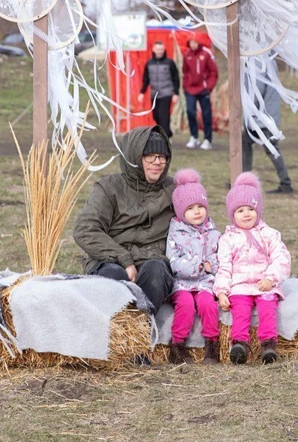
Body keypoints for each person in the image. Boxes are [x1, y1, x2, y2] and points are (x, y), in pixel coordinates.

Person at [73, 126, 175, 314]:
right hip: (111, 258)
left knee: (155, 272)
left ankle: (142, 330)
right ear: (135, 158)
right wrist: (124, 259)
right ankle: (114, 332)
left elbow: (198, 224)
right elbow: (85, 229)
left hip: (152, 259)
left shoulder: (173, 190)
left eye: (162, 156)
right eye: (149, 156)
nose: (157, 162)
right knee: (114, 277)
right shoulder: (109, 187)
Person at [214, 172, 291, 365]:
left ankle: (268, 345)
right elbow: (224, 267)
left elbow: (281, 258)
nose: (246, 214)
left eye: (250, 208)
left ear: (258, 210)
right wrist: (222, 291)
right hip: (240, 286)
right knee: (240, 310)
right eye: (240, 211)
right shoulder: (228, 239)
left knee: (267, 308)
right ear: (232, 215)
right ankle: (239, 343)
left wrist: (271, 279)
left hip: (264, 283)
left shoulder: (269, 234)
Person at [166, 169, 221, 365]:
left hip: (205, 282)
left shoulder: (213, 232)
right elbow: (173, 260)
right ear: (181, 212)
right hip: (182, 283)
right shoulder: (176, 233)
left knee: (208, 304)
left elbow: (219, 256)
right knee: (186, 305)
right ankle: (178, 345)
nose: (197, 211)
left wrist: (210, 265)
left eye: (200, 206)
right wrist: (196, 266)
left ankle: (212, 345)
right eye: (190, 208)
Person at [243, 61, 293, 194]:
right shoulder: (264, 60)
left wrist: (247, 106)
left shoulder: (259, 62)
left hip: (262, 118)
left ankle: (286, 183)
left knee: (271, 149)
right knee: (245, 144)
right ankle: (243, 181)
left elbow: (256, 90)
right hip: (261, 117)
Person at [137, 41, 180, 138]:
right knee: (156, 116)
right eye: (158, 49)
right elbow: (146, 79)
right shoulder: (149, 63)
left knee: (163, 115)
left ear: (164, 50)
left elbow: (175, 78)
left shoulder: (170, 62)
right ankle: (168, 133)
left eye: (161, 49)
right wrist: (142, 93)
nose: (160, 51)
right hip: (154, 94)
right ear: (153, 49)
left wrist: (175, 93)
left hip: (166, 93)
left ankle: (165, 138)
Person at [182, 38, 219, 150]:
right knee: (190, 111)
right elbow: (185, 71)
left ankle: (208, 139)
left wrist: (209, 86)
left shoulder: (206, 53)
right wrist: (186, 85)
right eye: (191, 43)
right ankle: (194, 136)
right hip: (190, 89)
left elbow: (213, 72)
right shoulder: (187, 54)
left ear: (199, 42)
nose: (193, 45)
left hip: (204, 89)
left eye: (195, 42)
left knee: (206, 114)